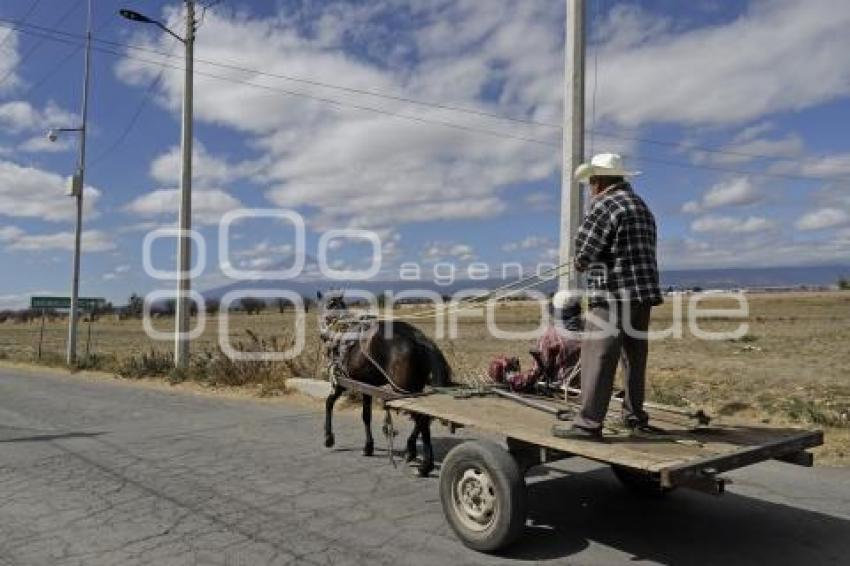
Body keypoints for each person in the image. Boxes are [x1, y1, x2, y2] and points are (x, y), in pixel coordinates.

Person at [552, 153, 663, 441]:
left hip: (612, 294)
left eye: (591, 182)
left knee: (597, 357)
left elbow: (585, 254)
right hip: (643, 294)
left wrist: (579, 262)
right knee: (634, 358)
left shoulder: (604, 205)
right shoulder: (641, 206)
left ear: (598, 181)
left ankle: (587, 424)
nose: (590, 187)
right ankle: (634, 416)